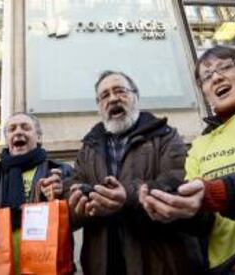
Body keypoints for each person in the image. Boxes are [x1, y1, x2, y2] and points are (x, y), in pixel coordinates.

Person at [139, 46, 235, 274]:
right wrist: (175, 209)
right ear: (204, 92)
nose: (216, 78)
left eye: (225, 67)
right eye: (206, 76)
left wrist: (224, 193)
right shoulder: (201, 145)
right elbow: (205, 222)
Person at [64, 70, 201, 275]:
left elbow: (176, 183)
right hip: (103, 262)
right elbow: (74, 188)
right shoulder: (88, 147)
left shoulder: (165, 136)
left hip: (159, 261)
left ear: (135, 96)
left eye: (120, 91)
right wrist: (77, 204)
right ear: (99, 105)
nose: (112, 99)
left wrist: (127, 196)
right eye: (104, 96)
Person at [0, 112, 73, 273]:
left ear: (39, 137)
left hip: (45, 266)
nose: (18, 132)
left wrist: (62, 193)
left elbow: (76, 214)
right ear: (7, 140)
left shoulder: (59, 172)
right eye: (12, 129)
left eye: (25, 128)